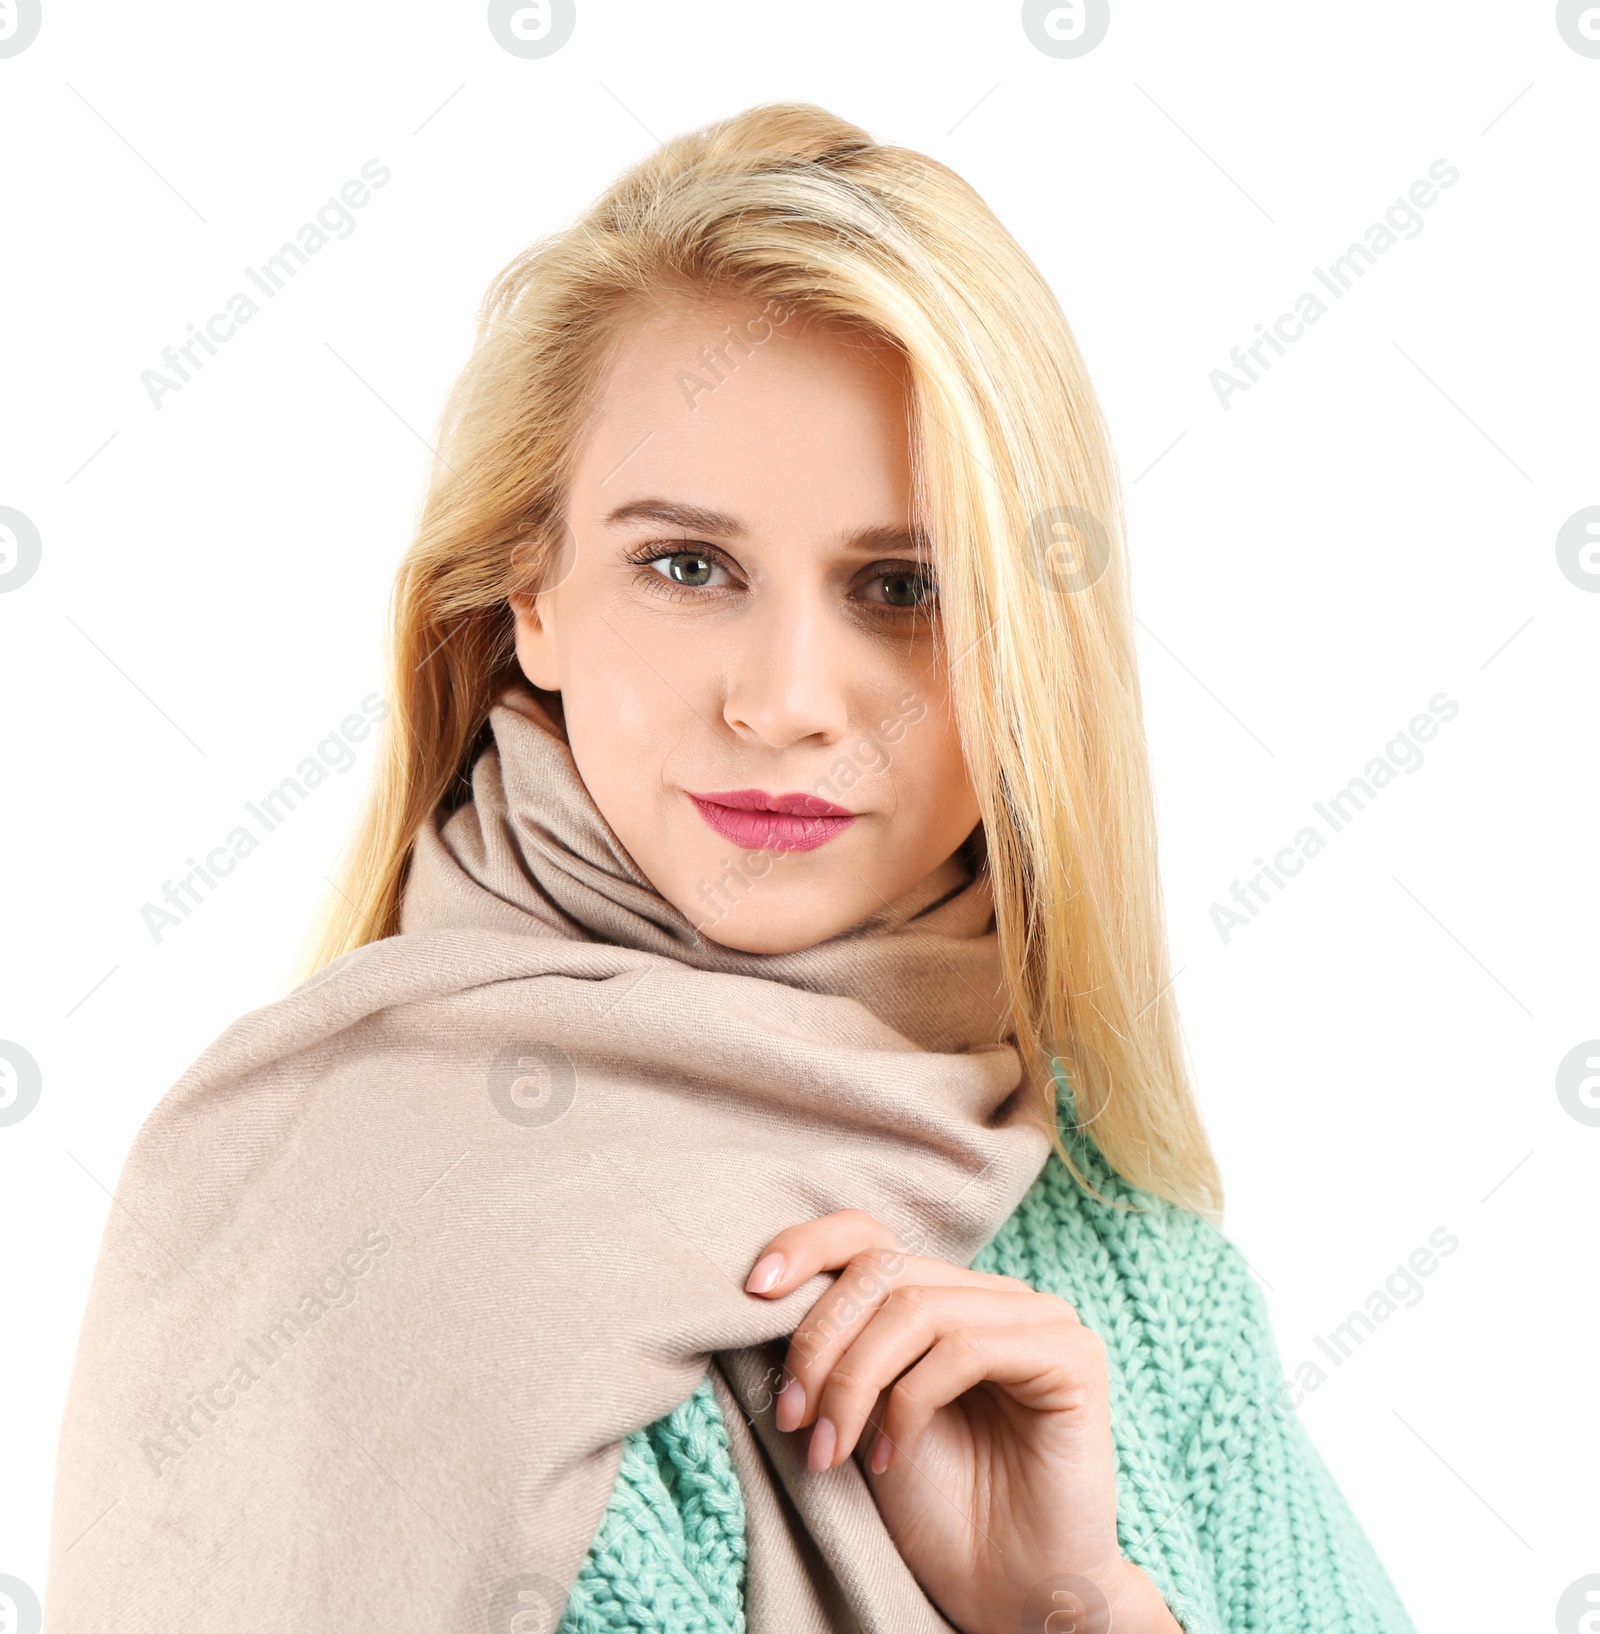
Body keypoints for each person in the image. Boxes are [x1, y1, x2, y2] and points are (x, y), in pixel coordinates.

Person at [45, 104, 1416, 1634]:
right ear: (535, 598)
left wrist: (1078, 1604)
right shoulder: (317, 1219)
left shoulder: (1133, 1258)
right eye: (686, 566)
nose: (783, 700)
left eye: (902, 587)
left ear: (1029, 652)